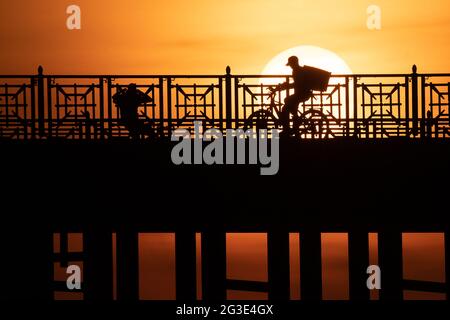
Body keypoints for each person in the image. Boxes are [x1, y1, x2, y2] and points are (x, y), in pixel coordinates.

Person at [269, 56, 314, 134]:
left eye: (290, 64)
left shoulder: (297, 71)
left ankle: (287, 130)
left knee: (286, 106)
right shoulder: (298, 70)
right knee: (288, 102)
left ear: (294, 63)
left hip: (302, 94)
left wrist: (284, 87)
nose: (290, 66)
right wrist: (284, 86)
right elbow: (295, 83)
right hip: (302, 93)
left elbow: (296, 84)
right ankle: (295, 125)